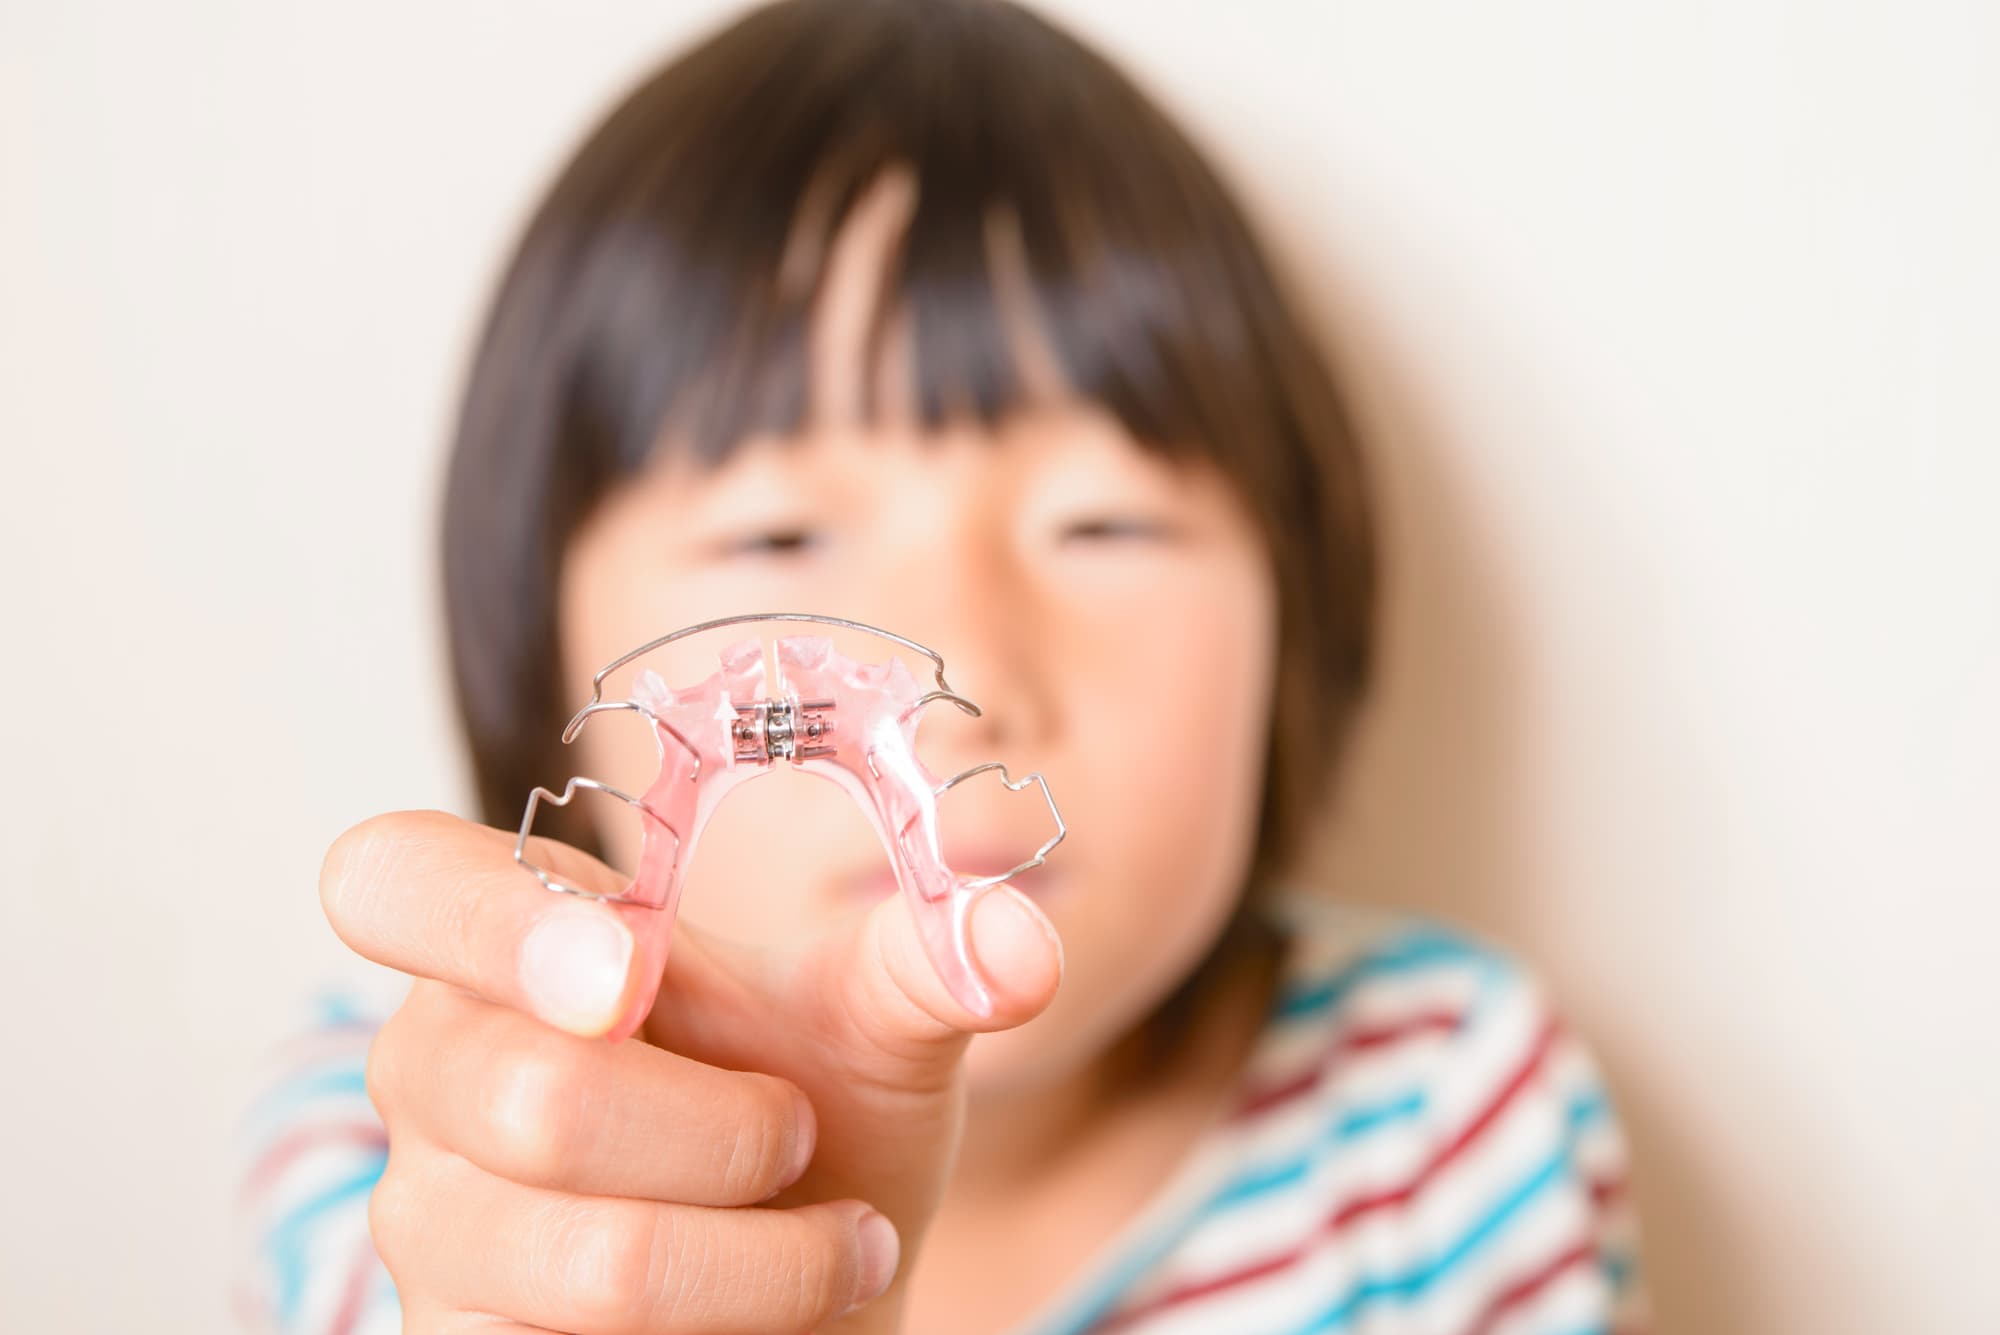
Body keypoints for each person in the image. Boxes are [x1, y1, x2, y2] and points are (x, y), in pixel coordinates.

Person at [234, 1, 1648, 1331]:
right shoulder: (418, 1142)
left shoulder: (1442, 1119)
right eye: (780, 533)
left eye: (1104, 524)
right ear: (544, 661)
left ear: (1301, 617)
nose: (958, 674)